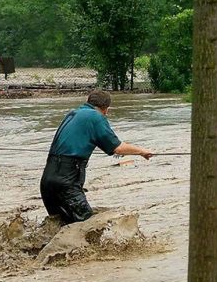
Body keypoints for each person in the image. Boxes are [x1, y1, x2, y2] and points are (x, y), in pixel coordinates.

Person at [40, 90, 153, 225]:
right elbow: (117, 147)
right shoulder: (96, 117)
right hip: (66, 181)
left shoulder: (72, 114)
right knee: (88, 227)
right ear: (106, 109)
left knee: (60, 225)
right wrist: (142, 151)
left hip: (47, 180)